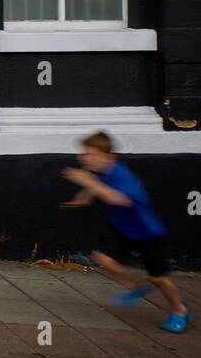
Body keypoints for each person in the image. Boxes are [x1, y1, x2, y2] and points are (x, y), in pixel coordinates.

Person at [60, 130, 190, 333]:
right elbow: (98, 186)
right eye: (84, 154)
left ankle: (179, 310)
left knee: (157, 277)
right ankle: (136, 286)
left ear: (110, 158)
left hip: (148, 233)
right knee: (103, 259)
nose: (84, 158)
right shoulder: (104, 171)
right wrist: (83, 198)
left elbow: (119, 199)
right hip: (123, 229)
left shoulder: (122, 176)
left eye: (91, 154)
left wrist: (88, 182)